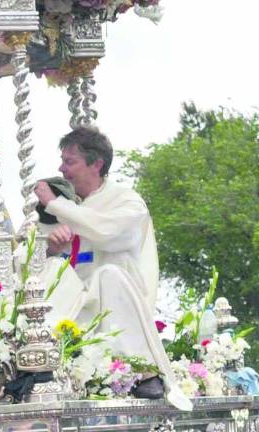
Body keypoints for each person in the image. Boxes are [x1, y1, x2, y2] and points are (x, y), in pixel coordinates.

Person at [33, 126, 191, 411]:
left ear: (97, 164)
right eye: (62, 161)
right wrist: (51, 248)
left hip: (117, 304)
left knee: (108, 276)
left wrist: (56, 204)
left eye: (70, 162)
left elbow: (104, 230)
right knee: (53, 272)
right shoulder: (65, 204)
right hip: (75, 304)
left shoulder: (126, 201)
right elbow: (32, 254)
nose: (62, 169)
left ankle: (142, 371)